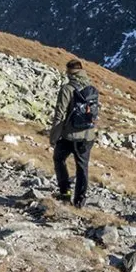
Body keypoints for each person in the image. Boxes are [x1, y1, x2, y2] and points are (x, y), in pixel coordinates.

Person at [49, 59, 99, 206]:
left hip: (69, 136)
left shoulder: (67, 89)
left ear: (69, 72)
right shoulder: (91, 88)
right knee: (82, 168)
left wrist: (54, 137)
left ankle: (65, 193)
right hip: (87, 136)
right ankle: (79, 202)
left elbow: (60, 115)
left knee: (59, 159)